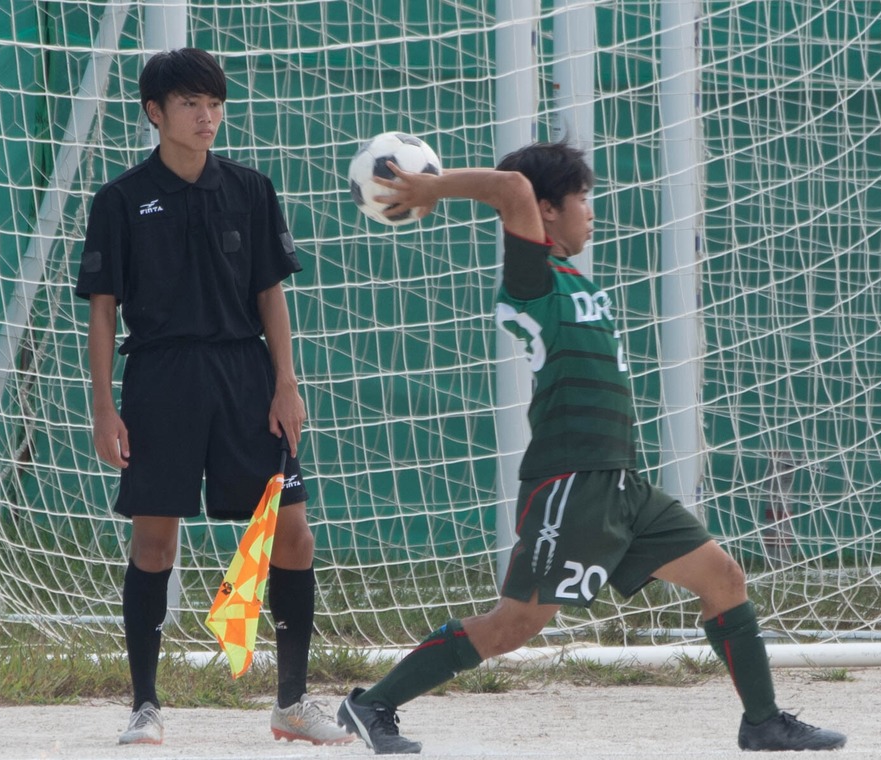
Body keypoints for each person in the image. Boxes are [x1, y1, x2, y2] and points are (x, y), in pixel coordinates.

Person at [334, 142, 848, 754]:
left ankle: (762, 722)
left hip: (622, 483)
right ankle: (371, 705)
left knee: (724, 577)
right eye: (581, 198)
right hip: (570, 481)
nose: (591, 211)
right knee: (515, 625)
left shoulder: (576, 277)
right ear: (547, 210)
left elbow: (521, 195)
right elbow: (512, 192)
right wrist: (431, 188)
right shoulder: (533, 277)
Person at [75, 47, 351, 747]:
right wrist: (104, 406)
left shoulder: (252, 190)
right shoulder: (119, 200)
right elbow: (103, 311)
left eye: (215, 103)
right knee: (155, 540)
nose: (207, 116)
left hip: (245, 379)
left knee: (291, 531)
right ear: (154, 113)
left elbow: (270, 294)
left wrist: (286, 383)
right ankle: (145, 705)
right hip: (161, 380)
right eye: (192, 103)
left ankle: (291, 703)